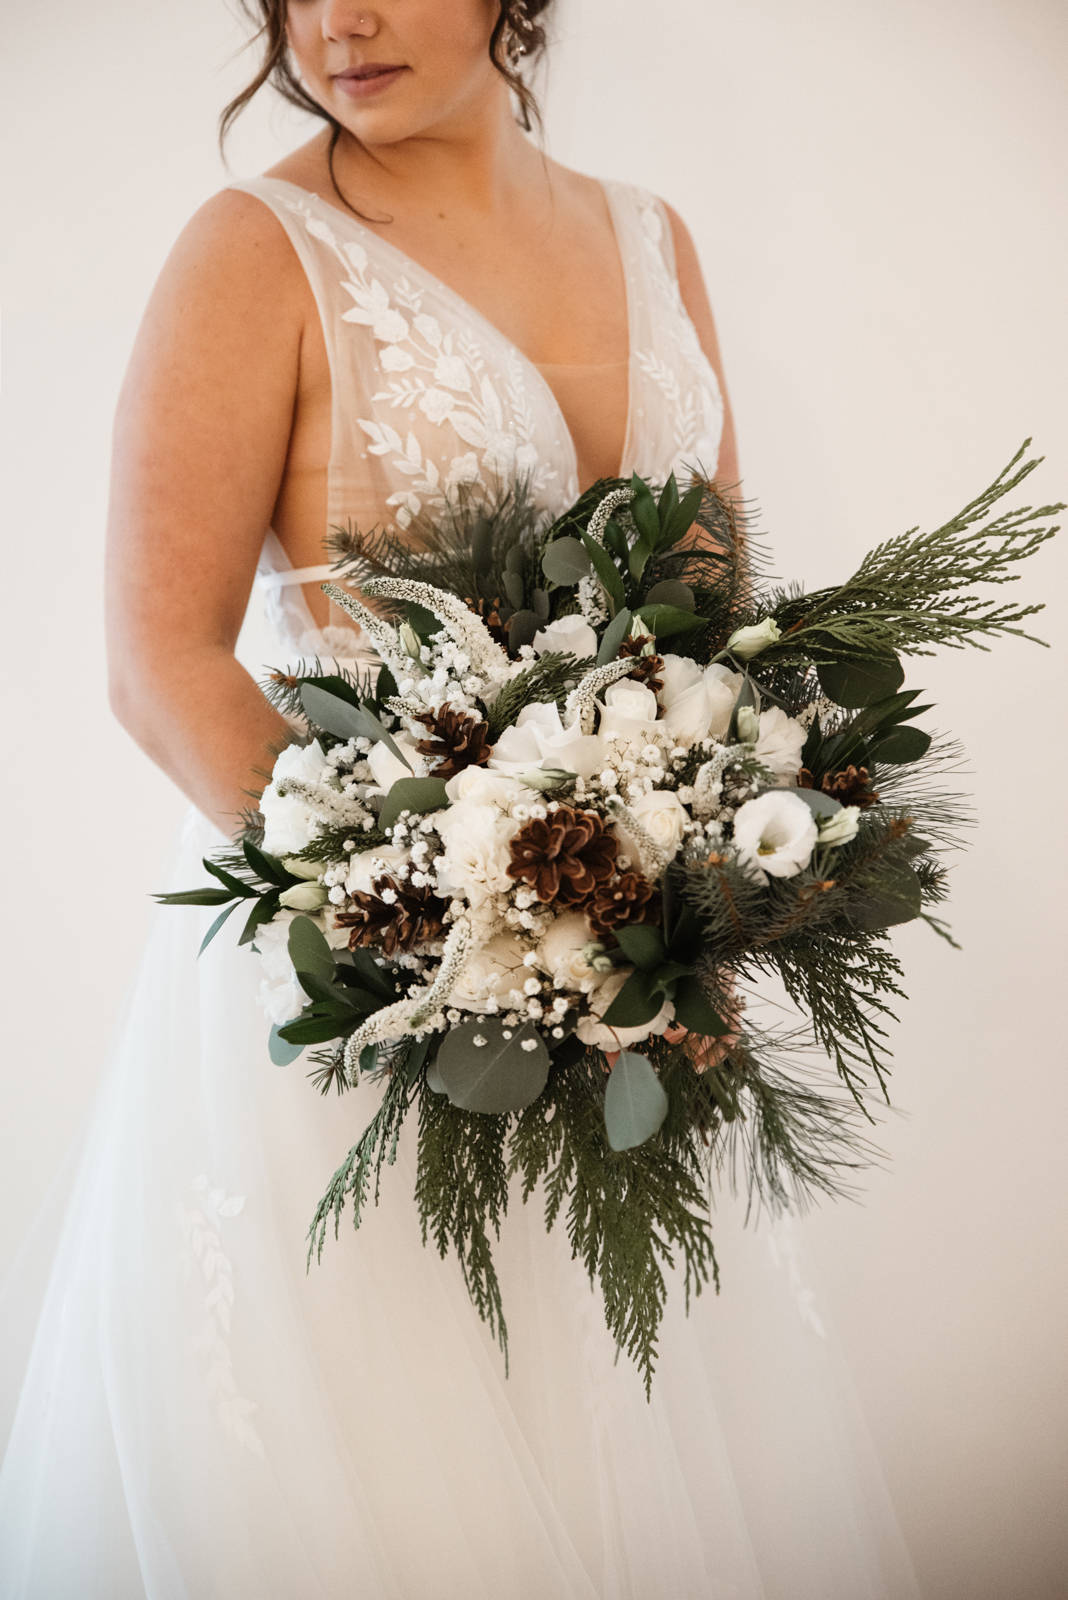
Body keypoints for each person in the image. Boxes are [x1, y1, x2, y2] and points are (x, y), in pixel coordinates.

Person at [0, 3, 920, 1595]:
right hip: (350, 992)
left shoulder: (654, 237)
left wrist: (693, 898)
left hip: (630, 1001)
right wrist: (433, 931)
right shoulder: (251, 251)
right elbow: (161, 663)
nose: (335, 19)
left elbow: (712, 621)